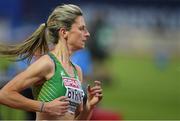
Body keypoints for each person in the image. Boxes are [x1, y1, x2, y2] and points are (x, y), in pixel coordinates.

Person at [0, 4, 103, 120]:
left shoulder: (77, 71)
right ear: (64, 32)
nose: (87, 34)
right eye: (81, 28)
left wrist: (89, 106)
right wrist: (44, 107)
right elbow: (4, 94)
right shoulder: (48, 63)